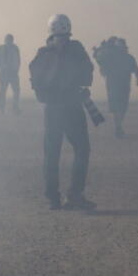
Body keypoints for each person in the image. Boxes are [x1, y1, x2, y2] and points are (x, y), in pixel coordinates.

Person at [29, 14, 96, 210]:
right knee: (82, 149)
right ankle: (75, 194)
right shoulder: (76, 49)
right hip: (71, 106)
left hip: (53, 109)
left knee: (52, 153)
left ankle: (53, 198)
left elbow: (36, 79)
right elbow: (87, 73)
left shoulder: (42, 54)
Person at [96, 37, 138, 138]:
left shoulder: (129, 58)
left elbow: (136, 70)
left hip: (123, 86)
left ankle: (118, 126)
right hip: (113, 87)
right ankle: (118, 127)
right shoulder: (111, 57)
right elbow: (100, 61)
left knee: (122, 107)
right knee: (117, 107)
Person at [0, 34, 21, 114]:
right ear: (5, 40)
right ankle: (2, 108)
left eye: (10, 40)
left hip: (13, 72)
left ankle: (15, 108)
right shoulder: (0, 48)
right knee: (3, 90)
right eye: (8, 40)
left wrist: (16, 69)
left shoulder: (15, 48)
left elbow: (18, 59)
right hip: (4, 73)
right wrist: (0, 68)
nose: (9, 41)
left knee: (16, 90)